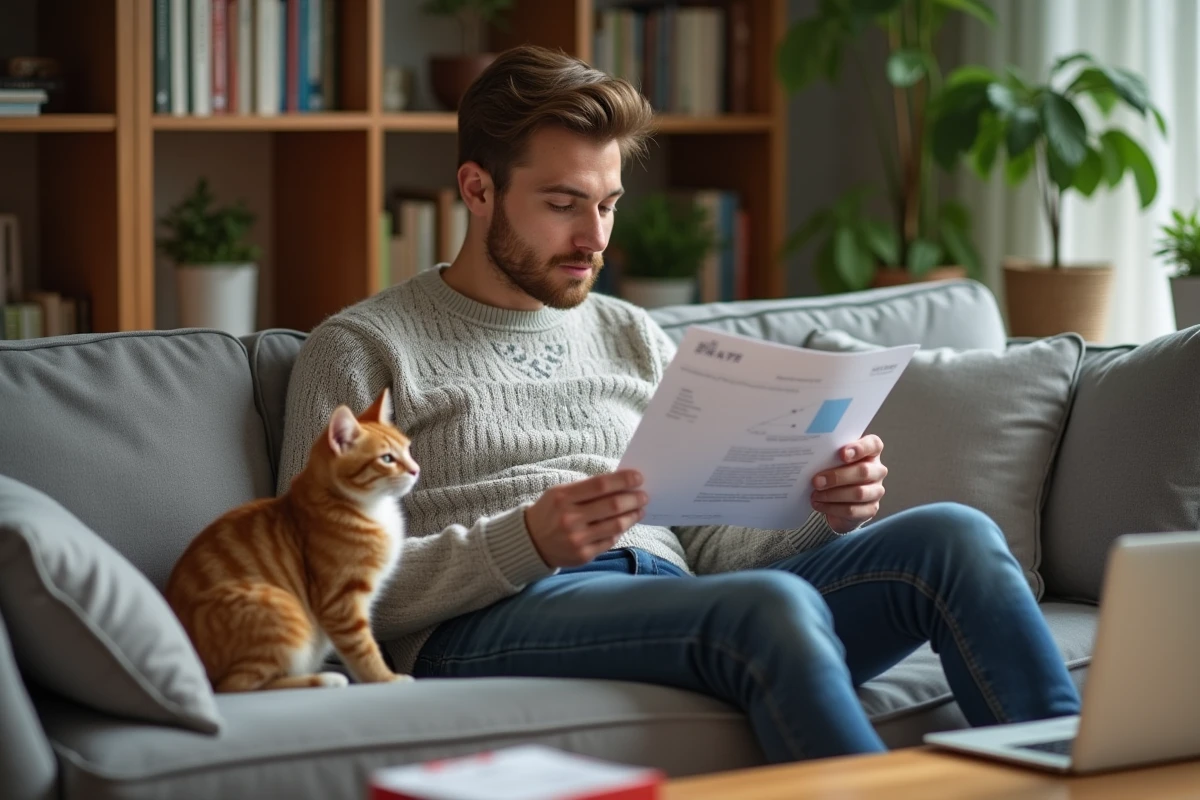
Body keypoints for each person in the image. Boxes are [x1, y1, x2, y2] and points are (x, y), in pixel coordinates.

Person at [278, 44, 1080, 762]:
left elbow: (707, 548)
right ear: (477, 189)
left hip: (678, 594)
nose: (595, 236)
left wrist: (816, 507)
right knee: (767, 607)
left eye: (608, 202)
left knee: (957, 537)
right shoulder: (362, 347)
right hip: (495, 614)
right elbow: (312, 580)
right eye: (562, 204)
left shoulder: (632, 333)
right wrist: (524, 540)